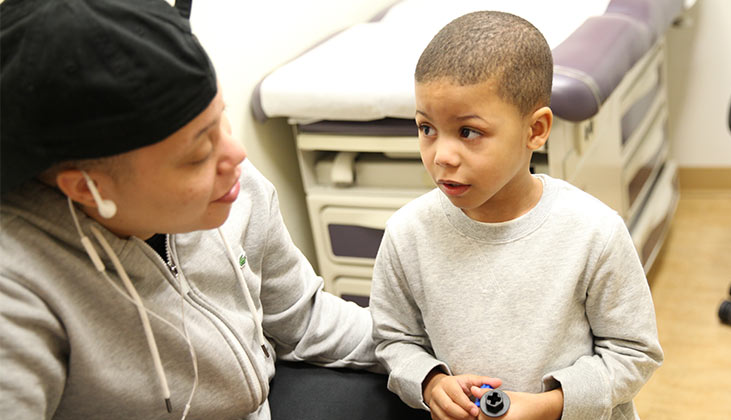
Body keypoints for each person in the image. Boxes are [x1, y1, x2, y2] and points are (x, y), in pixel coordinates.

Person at [0, 1, 384, 419]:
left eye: (221, 120)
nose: (235, 154)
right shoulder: (16, 293)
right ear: (86, 187)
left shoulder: (232, 186)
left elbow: (304, 319)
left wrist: (427, 351)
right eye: (198, 152)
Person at [369, 11, 664, 420]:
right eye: (426, 128)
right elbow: (392, 340)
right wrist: (430, 382)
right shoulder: (407, 234)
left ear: (536, 130)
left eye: (468, 132)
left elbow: (634, 353)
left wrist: (550, 406)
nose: (441, 156)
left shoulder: (593, 233)